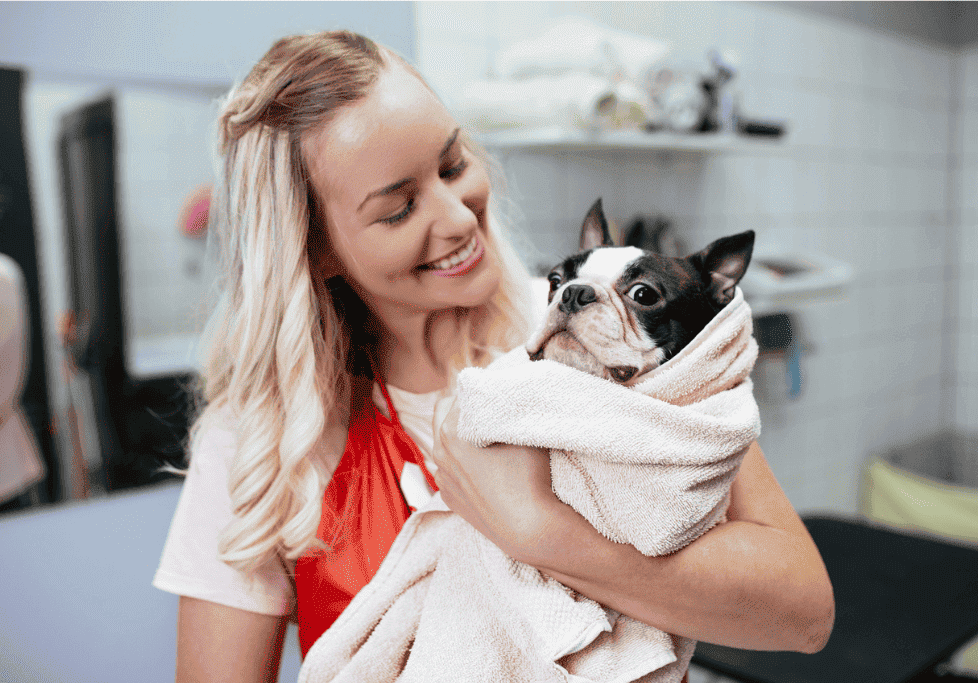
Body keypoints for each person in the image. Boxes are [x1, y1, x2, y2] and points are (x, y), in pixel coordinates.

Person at [153, 30, 834, 683]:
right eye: (398, 208)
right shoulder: (263, 442)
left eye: (453, 164)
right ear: (317, 250)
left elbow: (804, 613)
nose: (456, 217)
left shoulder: (603, 337)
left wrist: (538, 530)